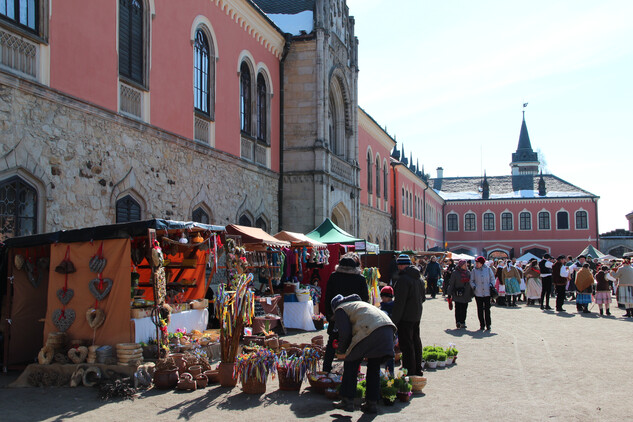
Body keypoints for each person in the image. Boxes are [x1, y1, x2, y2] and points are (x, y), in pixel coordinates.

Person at [331, 294, 396, 414]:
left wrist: (341, 351)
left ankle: (347, 400)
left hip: (371, 330)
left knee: (350, 362)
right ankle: (371, 403)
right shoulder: (358, 305)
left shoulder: (340, 308)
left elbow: (345, 334)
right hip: (387, 330)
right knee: (374, 367)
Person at [323, 253, 369, 373]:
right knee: (354, 344)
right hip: (354, 316)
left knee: (332, 342)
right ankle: (353, 371)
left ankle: (326, 369)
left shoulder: (334, 277)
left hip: (336, 316)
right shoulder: (360, 279)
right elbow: (365, 300)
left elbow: (327, 297)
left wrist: (329, 315)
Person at [391, 253, 425, 376]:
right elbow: (423, 298)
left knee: (407, 345)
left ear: (401, 266)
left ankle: (409, 371)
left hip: (405, 317)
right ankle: (417, 369)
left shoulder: (403, 280)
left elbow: (400, 303)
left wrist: (393, 321)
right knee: (416, 341)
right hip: (416, 315)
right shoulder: (419, 278)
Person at [446, 259, 474, 329]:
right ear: (461, 265)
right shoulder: (455, 273)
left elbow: (471, 283)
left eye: (466, 264)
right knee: (458, 308)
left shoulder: (468, 272)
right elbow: (451, 284)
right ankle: (458, 321)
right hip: (457, 293)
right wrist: (449, 294)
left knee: (464, 308)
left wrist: (472, 292)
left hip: (466, 293)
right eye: (464, 265)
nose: (466, 266)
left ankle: (463, 322)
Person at [470, 256, 495, 331]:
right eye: (476, 262)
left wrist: (491, 285)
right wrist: (474, 287)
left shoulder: (488, 269)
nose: (476, 264)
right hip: (478, 293)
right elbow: (471, 280)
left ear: (482, 263)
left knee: (487, 309)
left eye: (478, 262)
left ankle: (488, 324)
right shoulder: (474, 270)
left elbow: (492, 278)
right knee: (480, 309)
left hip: (487, 292)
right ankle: (482, 324)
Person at [379, 286, 396, 377]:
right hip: (384, 333)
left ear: (390, 297)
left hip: (390, 332)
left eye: (385, 297)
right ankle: (387, 373)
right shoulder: (382, 306)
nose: (383, 299)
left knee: (389, 353)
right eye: (382, 297)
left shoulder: (390, 307)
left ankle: (389, 373)